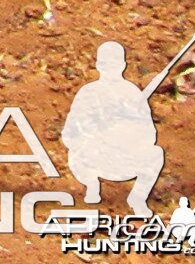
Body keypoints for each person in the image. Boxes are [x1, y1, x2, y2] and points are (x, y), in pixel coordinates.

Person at [61, 40, 166, 213]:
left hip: (124, 157)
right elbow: (70, 132)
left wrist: (127, 131)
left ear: (123, 65)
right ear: (98, 65)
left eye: (114, 63)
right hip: (94, 158)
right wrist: (95, 133)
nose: (110, 67)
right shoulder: (88, 92)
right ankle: (92, 186)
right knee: (78, 152)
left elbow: (149, 134)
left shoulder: (132, 93)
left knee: (156, 153)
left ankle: (137, 198)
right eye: (105, 63)